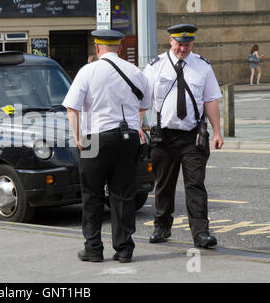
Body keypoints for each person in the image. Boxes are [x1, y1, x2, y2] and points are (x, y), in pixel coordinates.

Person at [63, 29, 151, 263]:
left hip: (95, 137)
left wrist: (79, 137)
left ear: (97, 47)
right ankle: (124, 249)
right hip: (128, 137)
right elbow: (144, 105)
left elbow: (72, 108)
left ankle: (93, 248)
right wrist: (136, 125)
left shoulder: (88, 71)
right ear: (120, 48)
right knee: (123, 194)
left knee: (92, 193)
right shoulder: (135, 72)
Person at [143, 24, 224, 249]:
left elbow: (210, 100)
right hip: (164, 137)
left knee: (195, 185)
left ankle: (201, 234)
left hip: (193, 137)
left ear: (192, 44)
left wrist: (217, 132)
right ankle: (161, 227)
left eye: (187, 44)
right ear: (171, 41)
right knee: (164, 185)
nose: (183, 48)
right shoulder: (155, 67)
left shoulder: (202, 66)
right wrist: (138, 126)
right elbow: (143, 101)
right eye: (179, 44)